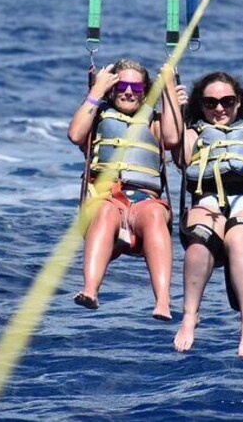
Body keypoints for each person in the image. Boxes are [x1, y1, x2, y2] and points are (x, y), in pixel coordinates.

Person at [172, 72, 243, 358]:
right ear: (201, 106)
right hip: (207, 199)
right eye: (210, 103)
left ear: (238, 103)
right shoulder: (194, 133)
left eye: (226, 101)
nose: (219, 108)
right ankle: (189, 316)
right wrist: (177, 111)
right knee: (200, 239)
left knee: (239, 240)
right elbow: (182, 158)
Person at [67, 59, 182, 321]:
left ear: (145, 91)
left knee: (154, 215)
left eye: (136, 87)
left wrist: (169, 90)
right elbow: (75, 135)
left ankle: (163, 302)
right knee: (106, 212)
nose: (129, 92)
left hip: (144, 202)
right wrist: (95, 91)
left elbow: (174, 139)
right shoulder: (97, 118)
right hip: (106, 199)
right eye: (122, 85)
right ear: (112, 88)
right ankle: (90, 290)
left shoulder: (155, 122)